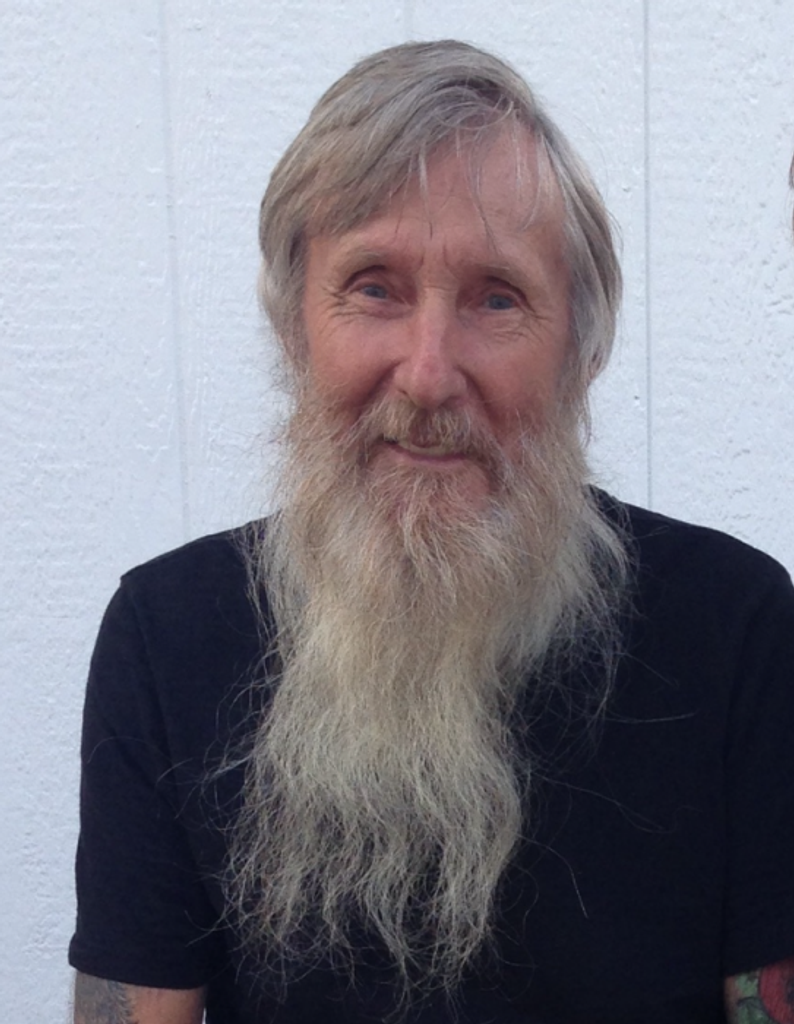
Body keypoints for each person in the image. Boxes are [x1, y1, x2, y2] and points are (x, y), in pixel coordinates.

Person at [70, 40, 794, 1024]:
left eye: (497, 298)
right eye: (374, 286)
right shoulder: (167, 635)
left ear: (579, 352)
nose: (426, 373)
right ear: (293, 329)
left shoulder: (735, 628)